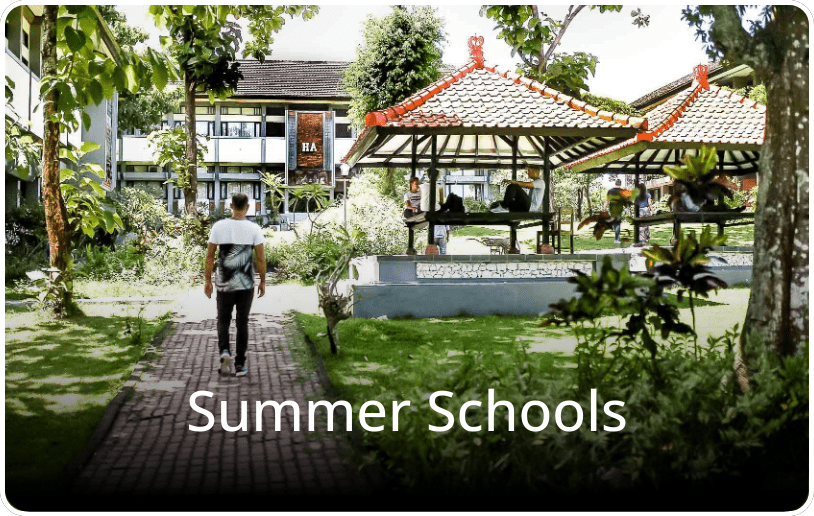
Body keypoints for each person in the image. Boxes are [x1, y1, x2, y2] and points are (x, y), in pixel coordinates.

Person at [204, 193, 266, 377]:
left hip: (224, 282)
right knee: (242, 323)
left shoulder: (219, 226)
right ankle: (240, 365)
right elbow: (261, 258)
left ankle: (224, 352)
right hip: (246, 283)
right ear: (247, 207)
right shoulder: (254, 228)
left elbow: (209, 257)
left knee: (223, 320)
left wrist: (207, 280)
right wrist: (263, 281)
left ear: (231, 206)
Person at [606, 179, 624, 244]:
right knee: (617, 223)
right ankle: (617, 239)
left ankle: (617, 238)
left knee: (615, 223)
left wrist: (605, 207)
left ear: (615, 183)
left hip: (612, 209)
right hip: (619, 209)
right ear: (620, 184)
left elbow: (607, 201)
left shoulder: (610, 191)